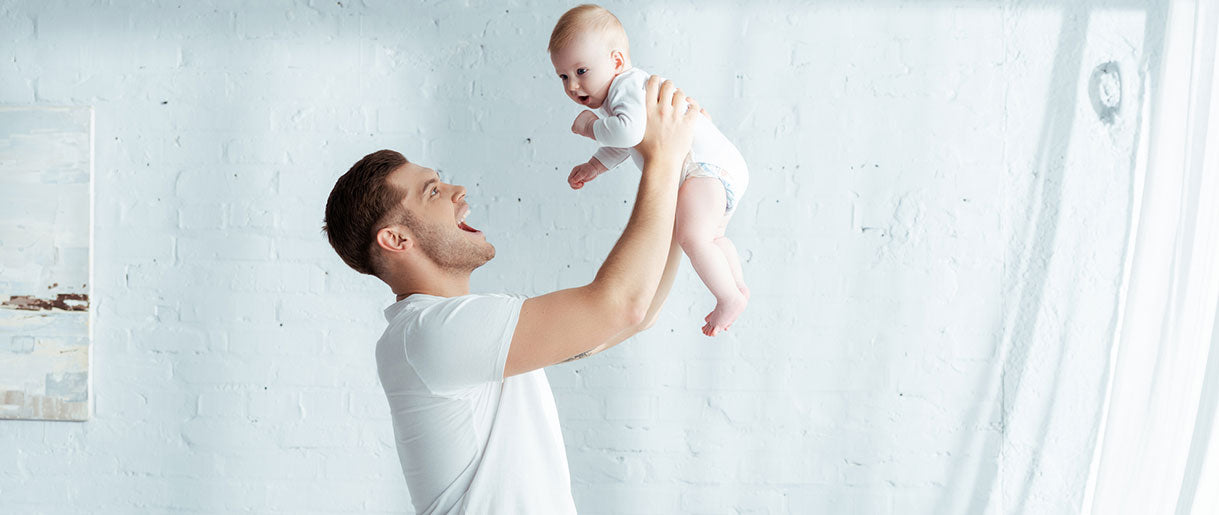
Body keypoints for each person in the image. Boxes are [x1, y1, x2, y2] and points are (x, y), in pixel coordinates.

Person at [322, 76, 698, 514]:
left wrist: (681, 176)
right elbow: (622, 305)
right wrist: (663, 160)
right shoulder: (430, 334)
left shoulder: (458, 333)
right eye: (433, 191)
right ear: (397, 239)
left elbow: (637, 312)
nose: (457, 191)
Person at [549, 4, 750, 336]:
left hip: (705, 168)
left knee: (691, 236)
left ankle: (728, 297)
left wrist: (590, 128)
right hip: (721, 168)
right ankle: (737, 288)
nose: (572, 86)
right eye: (563, 76)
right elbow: (629, 141)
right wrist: (595, 166)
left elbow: (625, 133)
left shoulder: (625, 86)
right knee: (712, 238)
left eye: (581, 71)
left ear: (615, 61)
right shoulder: (627, 97)